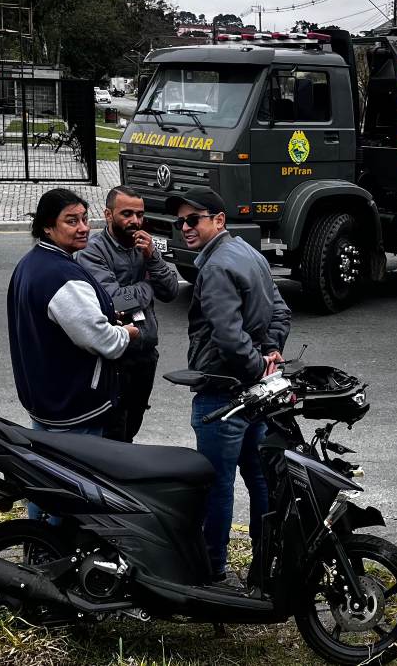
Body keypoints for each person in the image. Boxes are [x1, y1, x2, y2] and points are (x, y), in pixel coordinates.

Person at [172, 187, 291, 582]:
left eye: (194, 219)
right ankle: (265, 565)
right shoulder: (250, 254)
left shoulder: (217, 266)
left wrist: (259, 364)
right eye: (181, 221)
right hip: (255, 395)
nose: (185, 227)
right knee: (260, 481)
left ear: (218, 220)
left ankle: (211, 572)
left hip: (223, 395)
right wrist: (271, 352)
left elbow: (227, 335)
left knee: (216, 486)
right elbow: (279, 310)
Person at [8, 189, 139, 522]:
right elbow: (103, 341)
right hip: (75, 408)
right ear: (47, 227)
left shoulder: (32, 263)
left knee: (45, 482)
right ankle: (57, 560)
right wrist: (126, 333)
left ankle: (38, 548)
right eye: (71, 221)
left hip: (46, 401)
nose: (83, 227)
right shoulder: (60, 276)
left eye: (84, 218)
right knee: (70, 495)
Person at [78, 186, 178, 442]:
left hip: (145, 355)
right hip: (116, 358)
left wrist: (153, 258)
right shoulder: (93, 250)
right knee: (114, 433)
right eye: (127, 214)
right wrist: (147, 286)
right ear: (108, 215)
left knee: (131, 428)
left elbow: (170, 290)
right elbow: (113, 300)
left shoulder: (145, 245)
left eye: (140, 214)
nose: (135, 221)